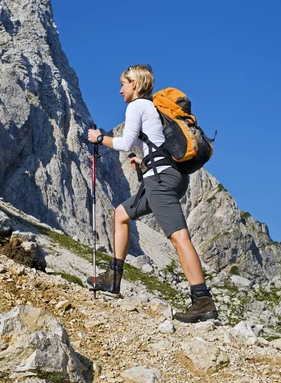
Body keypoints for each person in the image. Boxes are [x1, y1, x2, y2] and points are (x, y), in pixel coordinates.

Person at [87, 64, 218, 323]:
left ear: (134, 84)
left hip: (160, 181)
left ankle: (203, 300)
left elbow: (124, 143)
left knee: (179, 238)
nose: (120, 89)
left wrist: (99, 138)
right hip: (168, 177)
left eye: (123, 84)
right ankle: (113, 278)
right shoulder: (151, 110)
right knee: (120, 215)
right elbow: (145, 144)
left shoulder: (137, 106)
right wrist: (141, 162)